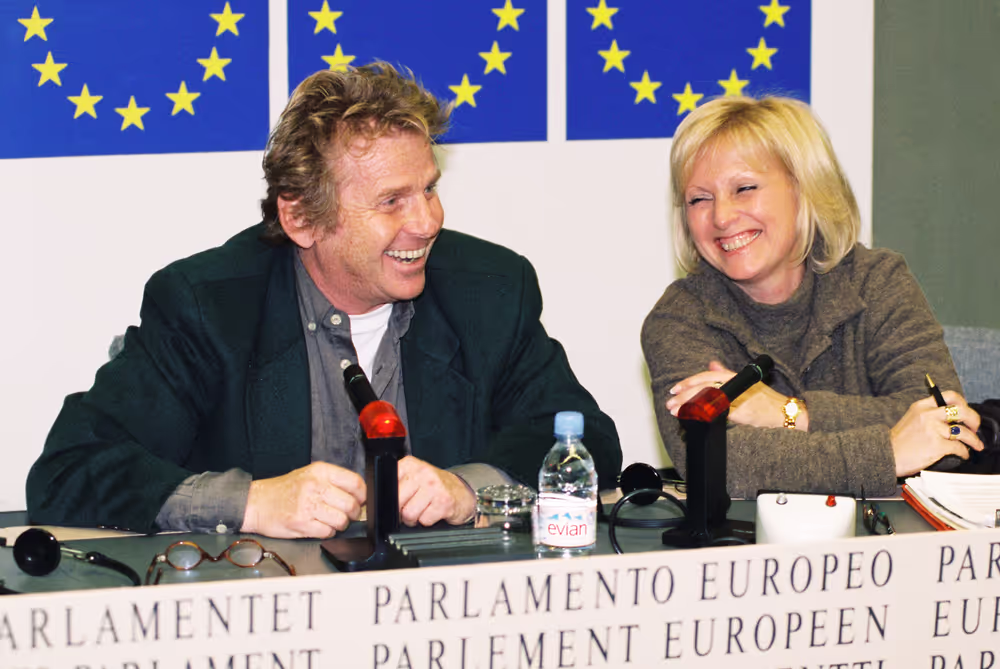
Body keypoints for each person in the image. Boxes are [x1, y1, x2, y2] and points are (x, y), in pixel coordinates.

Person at [27, 62, 622, 538]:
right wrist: (252, 502)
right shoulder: (206, 307)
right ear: (302, 217)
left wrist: (470, 489)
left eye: (430, 189)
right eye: (392, 201)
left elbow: (586, 438)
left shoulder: (489, 287)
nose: (428, 221)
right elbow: (71, 469)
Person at [641, 96, 982, 499]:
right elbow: (716, 463)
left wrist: (791, 414)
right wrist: (888, 453)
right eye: (700, 199)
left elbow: (950, 428)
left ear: (806, 189)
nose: (721, 217)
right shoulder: (678, 319)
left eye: (744, 188)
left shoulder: (878, 280)